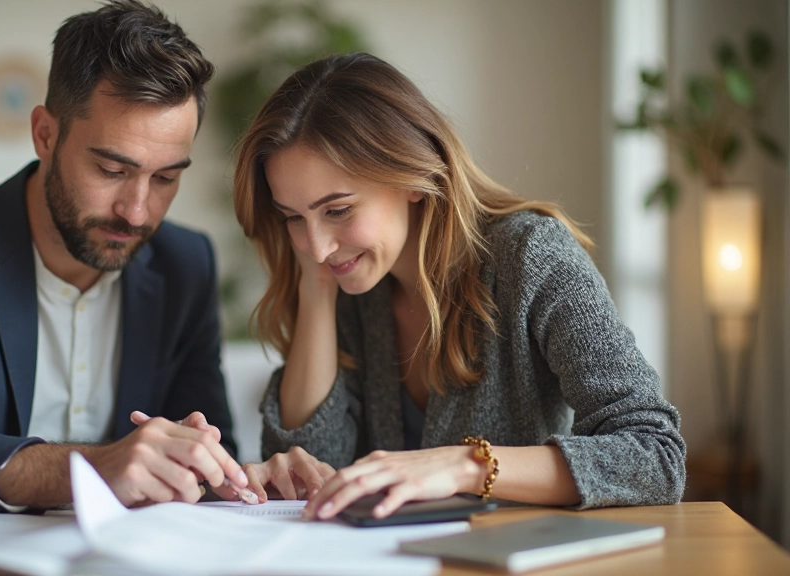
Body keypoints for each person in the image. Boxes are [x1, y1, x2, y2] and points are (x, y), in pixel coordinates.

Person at [0, 0, 253, 513]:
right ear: (45, 135)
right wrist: (91, 471)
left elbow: (213, 448)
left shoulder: (186, 264)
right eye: (112, 170)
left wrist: (239, 476)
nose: (138, 212)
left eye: (166, 178)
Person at [231, 52, 687, 518]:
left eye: (338, 210)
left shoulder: (531, 255)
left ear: (412, 176)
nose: (317, 245)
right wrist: (316, 286)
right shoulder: (348, 283)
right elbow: (312, 474)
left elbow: (654, 455)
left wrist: (466, 465)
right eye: (293, 217)